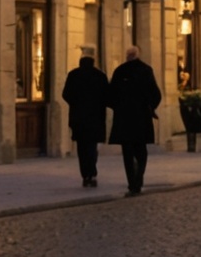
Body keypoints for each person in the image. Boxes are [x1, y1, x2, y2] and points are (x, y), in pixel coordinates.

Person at [106, 46, 161, 195]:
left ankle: (132, 183)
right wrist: (151, 107)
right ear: (138, 55)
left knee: (128, 152)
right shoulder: (146, 70)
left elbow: (110, 95)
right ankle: (138, 178)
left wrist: (118, 107)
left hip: (124, 119)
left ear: (127, 56)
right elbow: (155, 94)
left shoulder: (120, 71)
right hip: (141, 117)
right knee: (141, 151)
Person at [61, 51, 110, 188]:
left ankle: (85, 174)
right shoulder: (100, 76)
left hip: (79, 117)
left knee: (82, 148)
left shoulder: (74, 75)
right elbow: (107, 96)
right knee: (92, 147)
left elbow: (66, 94)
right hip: (96, 117)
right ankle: (92, 172)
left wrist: (76, 103)